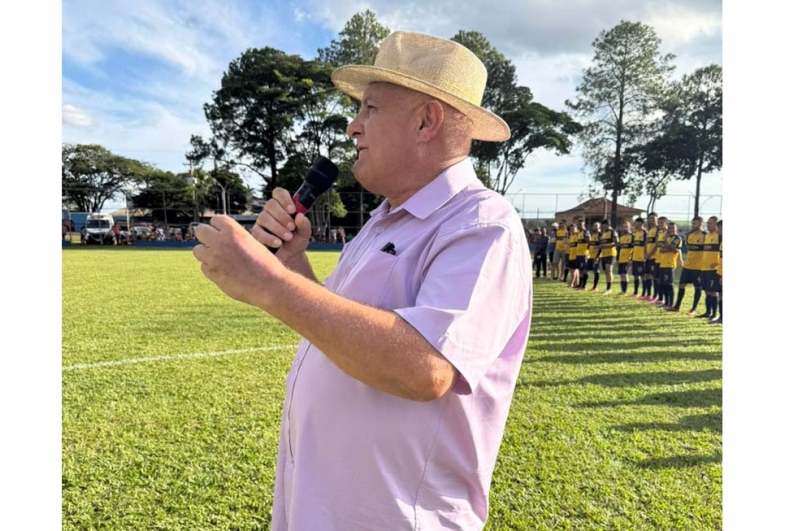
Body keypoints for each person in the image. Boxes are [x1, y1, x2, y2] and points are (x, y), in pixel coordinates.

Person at [192, 31, 531, 530]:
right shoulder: (382, 220)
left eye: (370, 108)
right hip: (324, 506)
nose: (353, 126)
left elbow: (427, 369)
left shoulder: (482, 224)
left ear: (426, 121)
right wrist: (292, 266)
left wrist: (268, 283)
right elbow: (339, 325)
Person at [671, 217, 705, 314]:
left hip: (698, 267)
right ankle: (677, 306)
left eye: (695, 223)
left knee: (697, 287)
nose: (693, 225)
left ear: (701, 224)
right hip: (688, 266)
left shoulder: (705, 235)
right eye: (692, 223)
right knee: (681, 284)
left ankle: (693, 309)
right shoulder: (690, 235)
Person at [697, 216, 721, 319]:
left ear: (716, 225)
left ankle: (714, 314)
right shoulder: (706, 236)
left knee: (713, 291)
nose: (708, 225)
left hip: (713, 269)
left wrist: (717, 264)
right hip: (704, 268)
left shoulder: (719, 236)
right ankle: (708, 312)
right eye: (708, 223)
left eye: (711, 223)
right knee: (707, 291)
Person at [660, 222, 684, 310]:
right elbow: (661, 250)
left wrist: (667, 245)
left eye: (672, 228)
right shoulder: (666, 237)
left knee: (669, 284)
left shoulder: (677, 238)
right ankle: (666, 302)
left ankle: (671, 303)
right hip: (663, 263)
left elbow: (673, 249)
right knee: (663, 284)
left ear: (676, 229)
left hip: (670, 263)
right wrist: (668, 247)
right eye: (669, 228)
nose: (671, 230)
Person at [598, 219, 619, 294]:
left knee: (609, 270)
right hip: (604, 255)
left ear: (608, 225)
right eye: (603, 226)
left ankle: (609, 288)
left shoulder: (613, 232)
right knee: (606, 271)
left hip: (611, 254)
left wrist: (605, 246)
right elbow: (601, 244)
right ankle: (608, 287)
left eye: (605, 226)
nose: (604, 228)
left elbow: (616, 243)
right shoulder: (603, 234)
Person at [709, 219, 723, 325]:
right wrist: (717, 264)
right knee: (720, 294)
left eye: (719, 228)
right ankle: (721, 317)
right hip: (719, 271)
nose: (717, 231)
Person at [630, 217, 648, 297]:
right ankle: (635, 292)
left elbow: (646, 245)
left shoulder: (645, 233)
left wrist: (645, 255)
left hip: (641, 258)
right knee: (635, 275)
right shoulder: (635, 233)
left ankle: (644, 293)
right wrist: (631, 257)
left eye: (636, 222)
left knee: (643, 275)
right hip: (635, 257)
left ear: (640, 223)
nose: (634, 224)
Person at [617, 221, 634, 295]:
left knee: (624, 274)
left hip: (627, 259)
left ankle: (625, 292)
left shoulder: (632, 236)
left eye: (626, 227)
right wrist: (617, 259)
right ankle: (622, 291)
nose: (625, 228)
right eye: (623, 227)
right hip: (621, 259)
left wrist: (631, 259)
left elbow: (634, 249)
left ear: (630, 227)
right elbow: (619, 249)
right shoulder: (621, 237)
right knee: (621, 275)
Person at [584, 221, 602, 291]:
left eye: (596, 226)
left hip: (597, 256)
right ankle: (584, 286)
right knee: (585, 270)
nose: (594, 227)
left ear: (599, 227)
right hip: (591, 256)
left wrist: (597, 257)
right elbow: (590, 245)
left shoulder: (600, 235)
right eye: (594, 226)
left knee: (596, 271)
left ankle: (595, 287)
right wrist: (588, 254)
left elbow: (601, 247)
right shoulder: (592, 235)